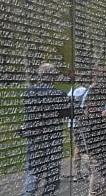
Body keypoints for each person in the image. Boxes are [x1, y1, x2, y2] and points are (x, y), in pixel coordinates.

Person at [22, 63, 70, 196]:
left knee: (32, 175)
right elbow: (68, 113)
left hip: (35, 140)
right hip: (52, 141)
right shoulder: (59, 95)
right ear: (52, 77)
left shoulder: (28, 93)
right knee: (51, 177)